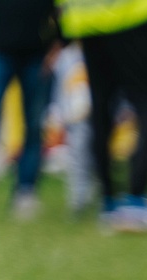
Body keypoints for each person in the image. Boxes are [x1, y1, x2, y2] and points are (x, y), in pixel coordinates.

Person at [56, 0, 147, 231]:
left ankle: (109, 200)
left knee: (101, 110)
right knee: (145, 104)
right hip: (132, 17)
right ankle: (136, 196)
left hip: (88, 22)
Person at [0, 0, 58, 221]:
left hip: (37, 54)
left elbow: (62, 12)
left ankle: (25, 192)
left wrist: (57, 46)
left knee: (35, 124)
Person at [50, 42, 96, 215]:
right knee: (77, 154)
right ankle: (77, 198)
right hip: (75, 116)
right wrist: (58, 112)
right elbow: (59, 87)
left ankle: (95, 190)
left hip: (99, 115)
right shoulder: (66, 57)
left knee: (96, 154)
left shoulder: (103, 53)